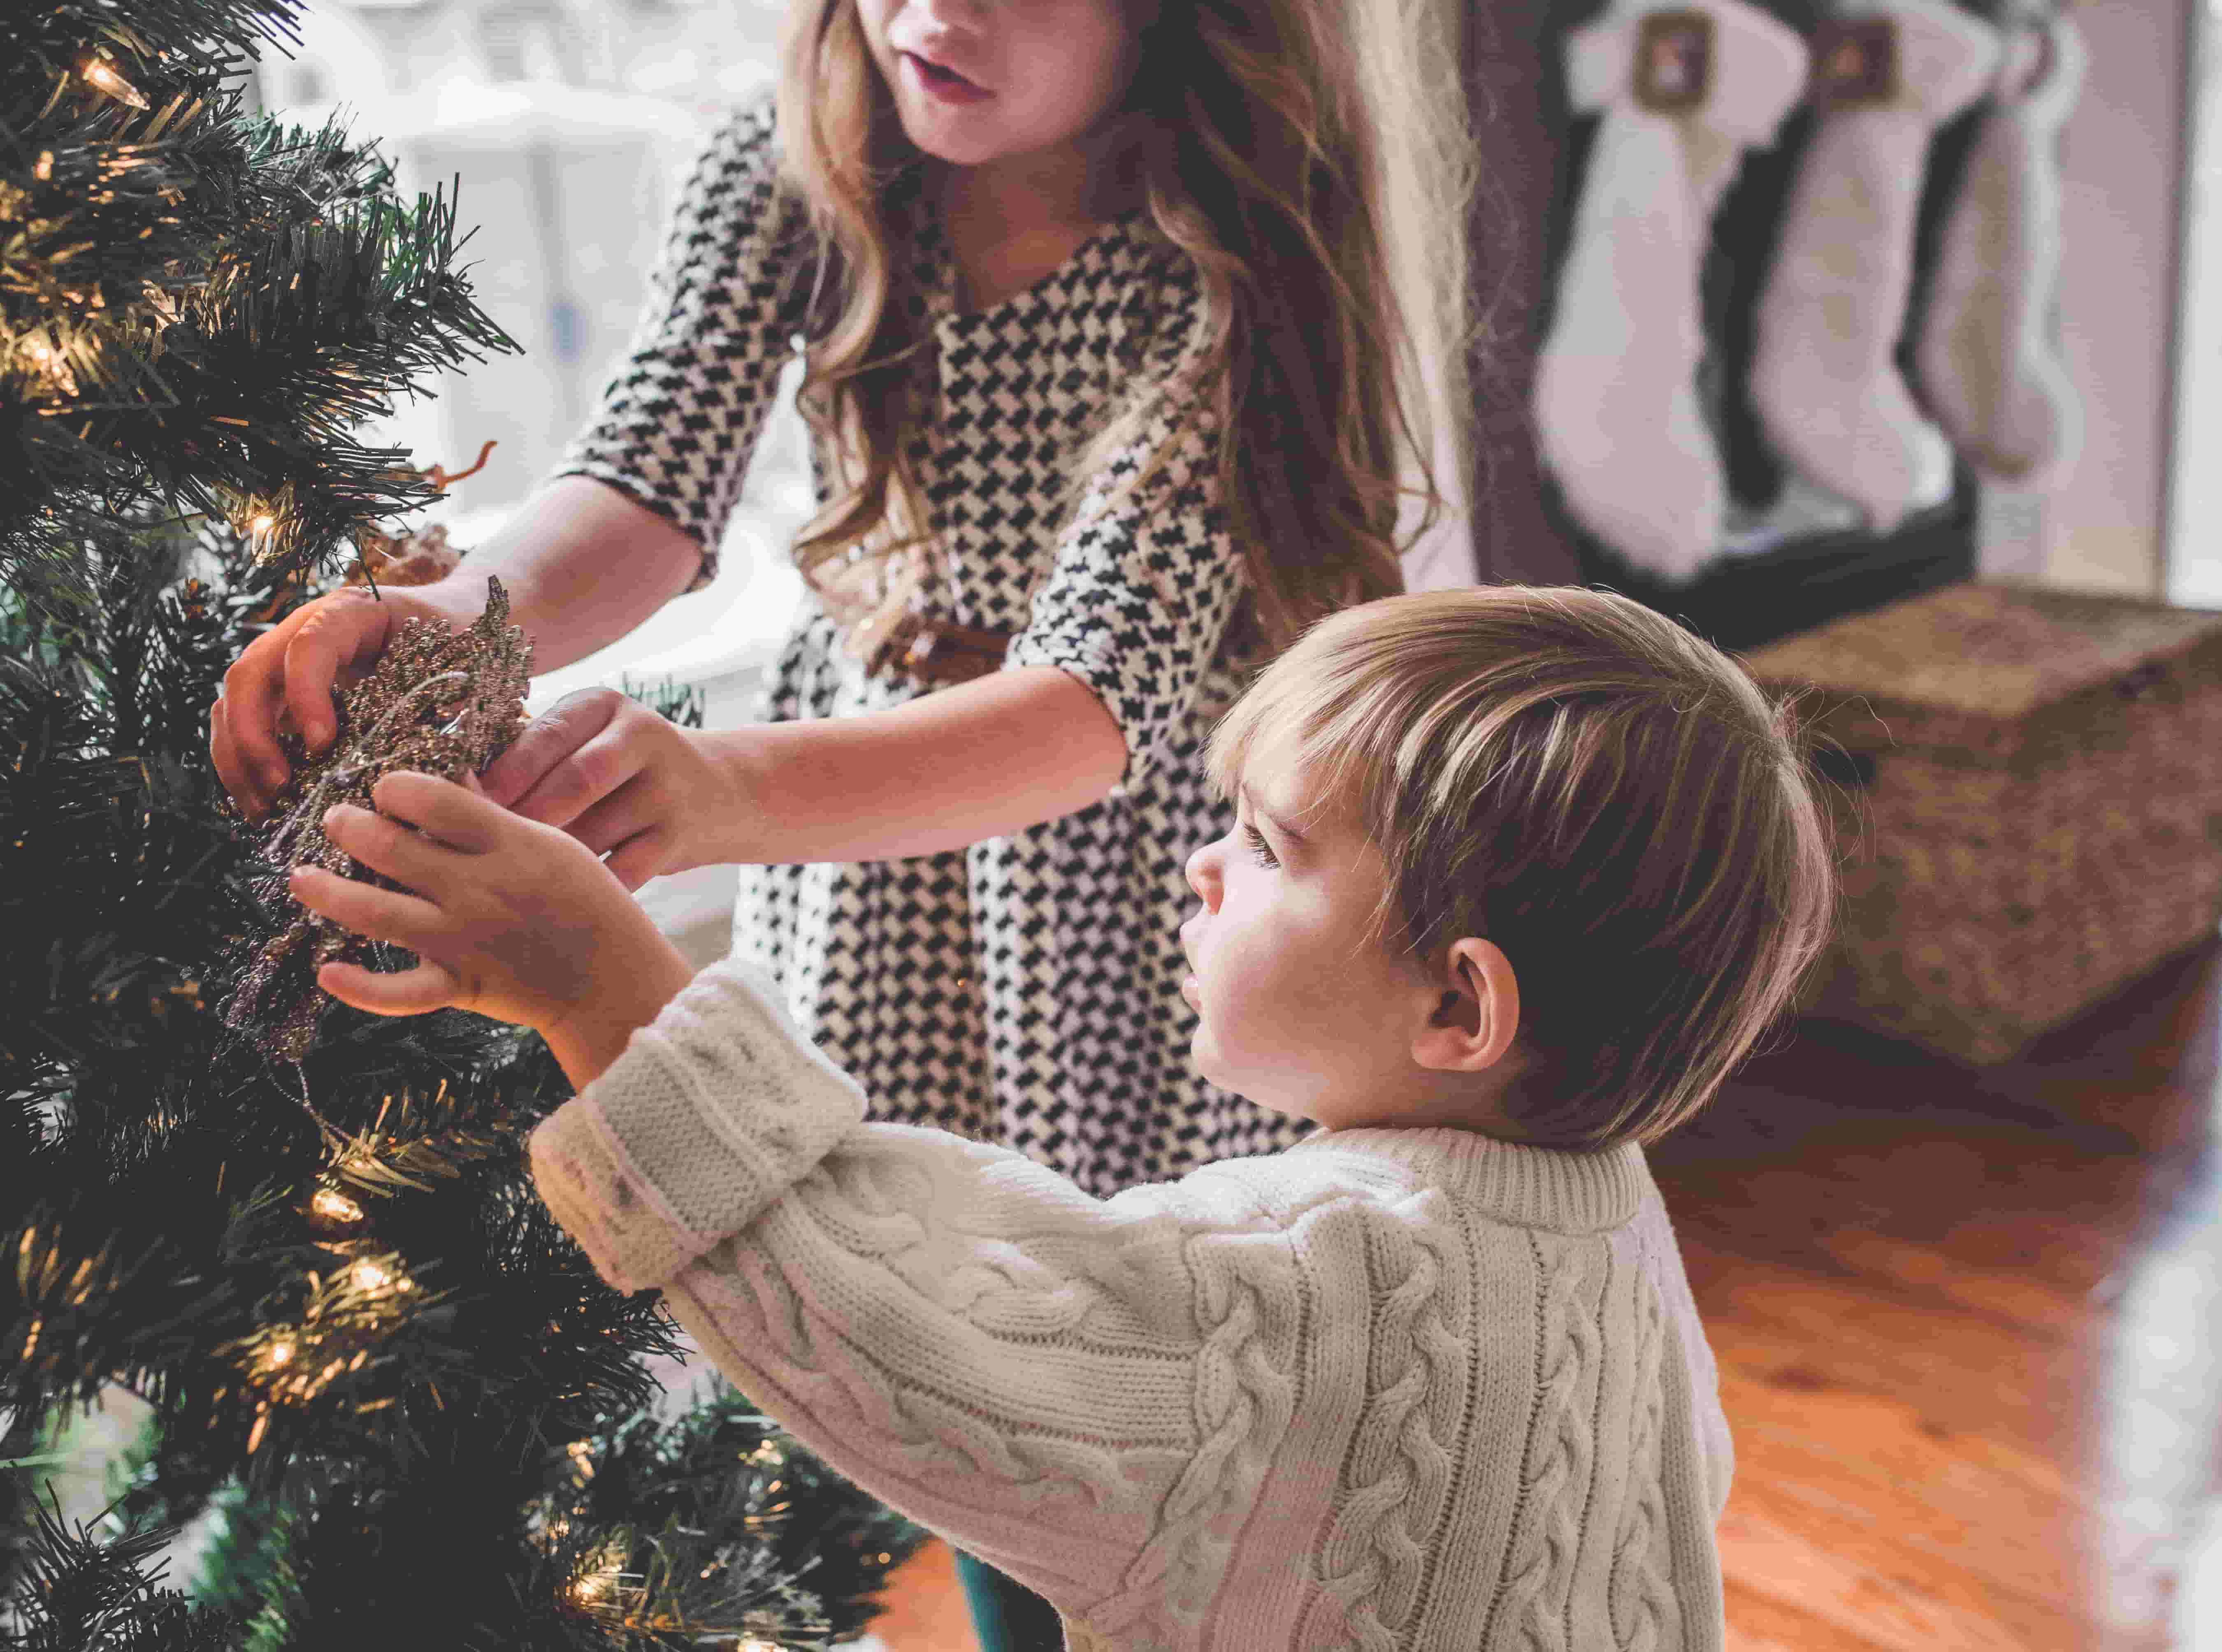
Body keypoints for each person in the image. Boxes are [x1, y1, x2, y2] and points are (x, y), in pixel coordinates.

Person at [213, 0, 1472, 1637]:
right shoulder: (800, 162)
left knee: (1114, 1392)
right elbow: (652, 484)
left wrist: (728, 787)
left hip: (1122, 906)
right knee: (917, 1350)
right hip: (875, 892)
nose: (936, 11)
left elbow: (1087, 706)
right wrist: (470, 610)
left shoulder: (1228, 260)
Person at [284, 583, 1841, 1649]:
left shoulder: (1318, 1279)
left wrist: (600, 991)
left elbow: (888, 1317)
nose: (1201, 867)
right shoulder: (1604, 1212)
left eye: (1270, 847)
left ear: (1459, 1010)